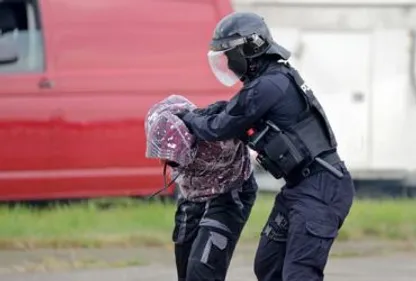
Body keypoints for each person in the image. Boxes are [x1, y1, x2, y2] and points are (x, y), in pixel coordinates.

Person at [175, 12, 355, 281]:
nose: (229, 64)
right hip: (298, 187)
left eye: (230, 55)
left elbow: (219, 127)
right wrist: (201, 114)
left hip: (322, 187)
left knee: (299, 274)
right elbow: (231, 112)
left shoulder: (270, 84)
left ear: (251, 48)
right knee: (268, 266)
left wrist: (185, 118)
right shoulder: (270, 82)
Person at [144, 94, 258, 281]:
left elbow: (249, 117)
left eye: (171, 158)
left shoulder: (216, 135)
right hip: (193, 192)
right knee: (185, 262)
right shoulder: (161, 122)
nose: (164, 161)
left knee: (202, 268)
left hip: (229, 191)